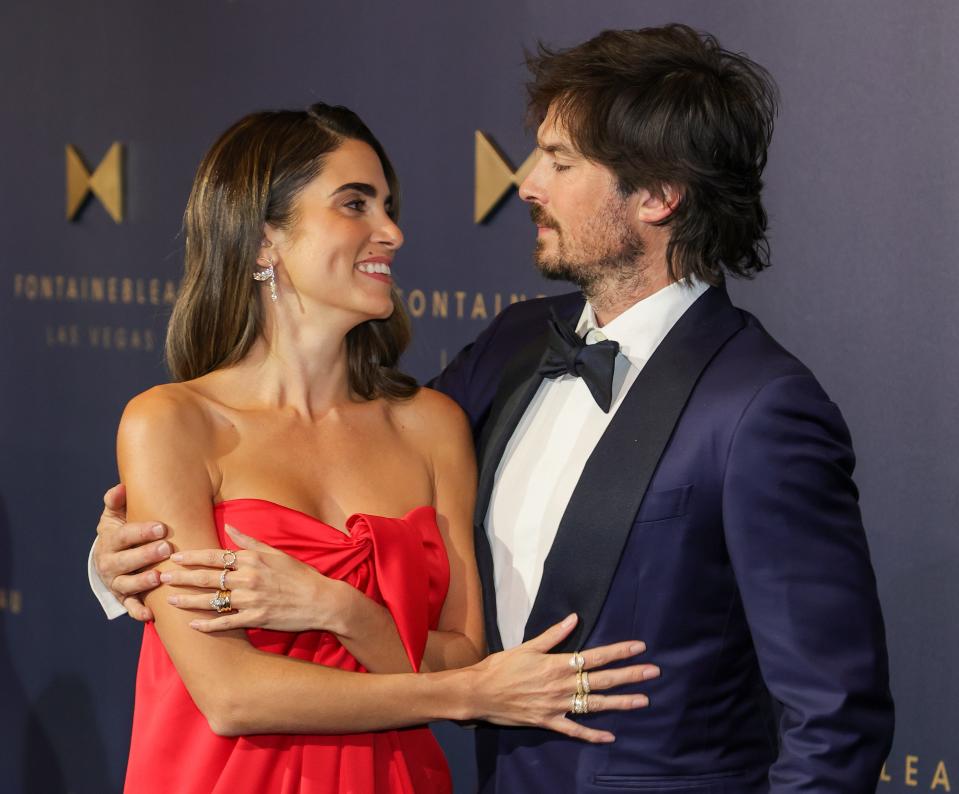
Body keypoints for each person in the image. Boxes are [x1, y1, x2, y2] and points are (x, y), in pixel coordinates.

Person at [92, 25, 894, 793]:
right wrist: (124, 559)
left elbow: (831, 715)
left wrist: (346, 617)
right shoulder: (511, 348)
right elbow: (334, 466)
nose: (525, 183)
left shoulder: (759, 407)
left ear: (654, 196)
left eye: (558, 160)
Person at [101, 102, 657, 794]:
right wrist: (468, 695)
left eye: (387, 206)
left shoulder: (431, 425)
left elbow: (462, 650)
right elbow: (231, 696)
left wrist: (339, 610)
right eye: (354, 205)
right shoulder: (172, 423)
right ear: (260, 241)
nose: (390, 232)